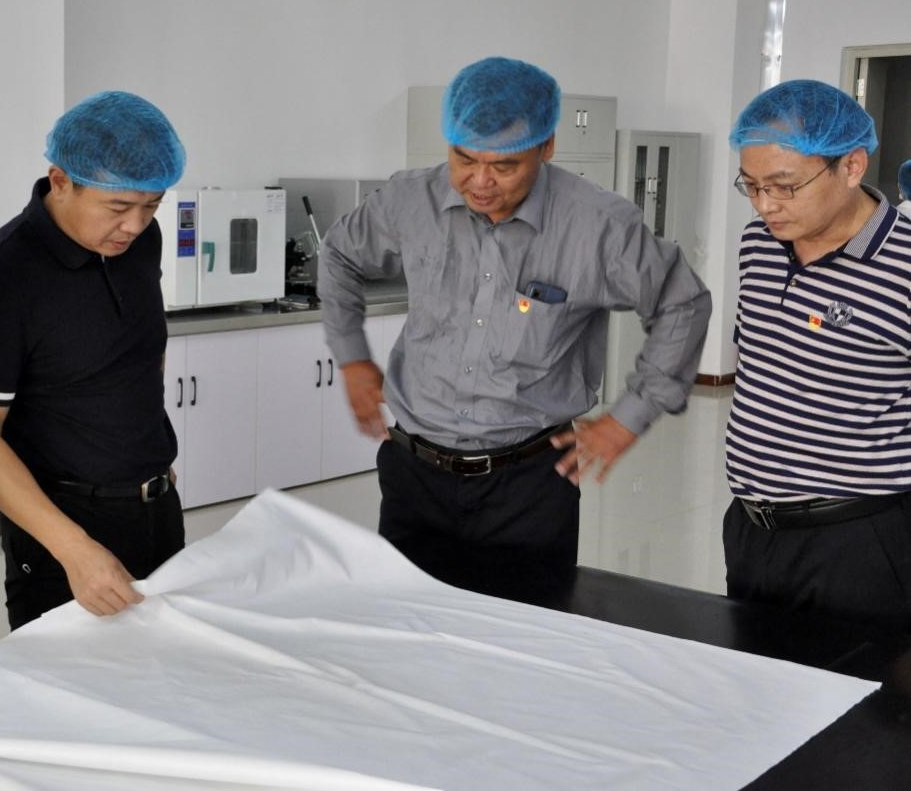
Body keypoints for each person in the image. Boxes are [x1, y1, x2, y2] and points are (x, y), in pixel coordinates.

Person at [318, 56, 711, 581]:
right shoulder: (410, 200)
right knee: (406, 620)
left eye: (504, 167)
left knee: (527, 624)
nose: (480, 182)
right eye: (464, 159)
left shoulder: (598, 226)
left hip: (528, 486)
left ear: (547, 147)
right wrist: (351, 358)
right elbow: (338, 253)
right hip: (415, 475)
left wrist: (628, 417)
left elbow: (683, 302)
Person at [0, 90, 186, 629]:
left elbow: (144, 347)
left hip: (157, 507)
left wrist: (147, 449)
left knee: (167, 666)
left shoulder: (140, 242)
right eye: (118, 208)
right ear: (60, 181)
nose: (135, 225)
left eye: (151, 205)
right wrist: (75, 550)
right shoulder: (0, 280)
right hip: (63, 527)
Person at [724, 80, 911, 631]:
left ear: (851, 166)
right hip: (751, 528)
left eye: (785, 186)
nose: (765, 205)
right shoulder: (758, 243)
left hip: (858, 541)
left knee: (856, 684)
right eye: (751, 186)